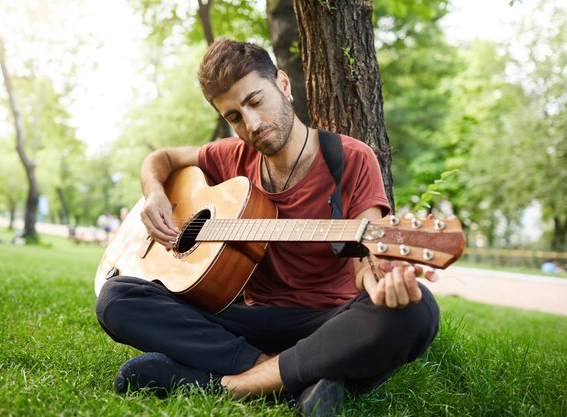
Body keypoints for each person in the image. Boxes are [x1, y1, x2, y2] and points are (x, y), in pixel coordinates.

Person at [95, 37, 440, 417]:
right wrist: (155, 193)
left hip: (325, 323)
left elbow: (367, 257)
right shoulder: (230, 155)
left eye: (255, 101)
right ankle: (300, 377)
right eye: (234, 117)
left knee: (417, 310)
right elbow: (160, 158)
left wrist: (382, 274)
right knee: (116, 297)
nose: (252, 124)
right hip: (244, 317)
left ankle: (230, 384)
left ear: (283, 85)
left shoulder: (351, 159)